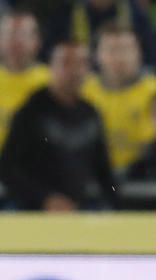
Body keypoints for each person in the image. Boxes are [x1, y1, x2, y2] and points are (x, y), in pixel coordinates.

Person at [0, 40, 117, 211]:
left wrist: (118, 209)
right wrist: (45, 199)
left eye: (81, 63)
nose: (74, 70)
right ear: (51, 67)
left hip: (76, 209)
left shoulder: (91, 113)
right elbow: (7, 168)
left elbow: (103, 170)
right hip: (30, 212)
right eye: (66, 63)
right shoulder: (31, 111)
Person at [81, 23, 156, 174]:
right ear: (96, 55)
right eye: (111, 50)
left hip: (142, 177)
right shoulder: (84, 91)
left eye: (126, 50)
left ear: (139, 53)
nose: (119, 57)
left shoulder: (155, 90)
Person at [0, 10, 49, 152]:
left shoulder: (52, 82)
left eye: (23, 34)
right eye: (9, 34)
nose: (16, 42)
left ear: (38, 41)